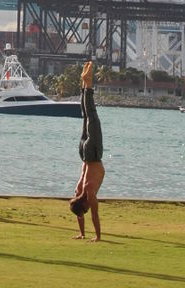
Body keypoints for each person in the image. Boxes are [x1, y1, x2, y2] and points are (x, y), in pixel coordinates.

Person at [73, 60, 104, 241]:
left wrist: (98, 237)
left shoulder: (88, 192)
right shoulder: (78, 191)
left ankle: (88, 83)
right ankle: (84, 85)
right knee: (85, 116)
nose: (86, 209)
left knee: (92, 115)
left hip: (93, 154)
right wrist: (83, 234)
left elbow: (94, 215)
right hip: (83, 155)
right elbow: (80, 212)